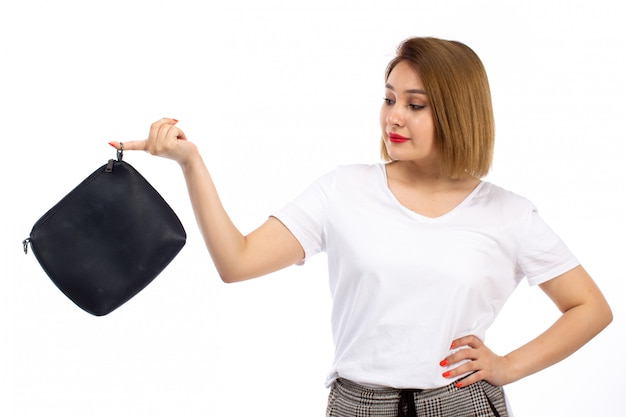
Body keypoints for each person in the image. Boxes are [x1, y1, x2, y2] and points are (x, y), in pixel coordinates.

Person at [112, 37, 612, 417]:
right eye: (389, 98)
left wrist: (508, 367)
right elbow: (236, 261)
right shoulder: (344, 190)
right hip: (358, 405)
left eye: (415, 105)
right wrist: (190, 163)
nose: (394, 116)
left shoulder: (508, 213)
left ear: (459, 115)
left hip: (463, 405)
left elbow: (590, 308)